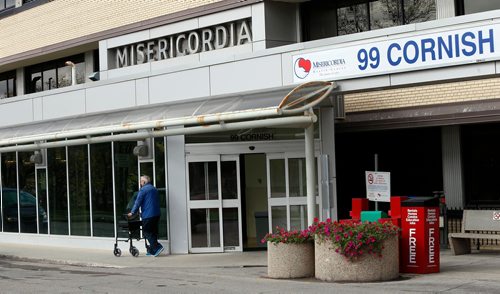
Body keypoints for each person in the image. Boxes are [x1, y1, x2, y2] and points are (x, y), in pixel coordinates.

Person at [127, 175, 163, 257]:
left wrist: (132, 212)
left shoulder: (143, 190)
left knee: (147, 232)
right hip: (157, 214)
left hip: (148, 215)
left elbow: (138, 202)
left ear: (144, 182)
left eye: (140, 181)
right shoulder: (154, 189)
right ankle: (152, 251)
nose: (140, 183)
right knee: (153, 232)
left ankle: (157, 247)